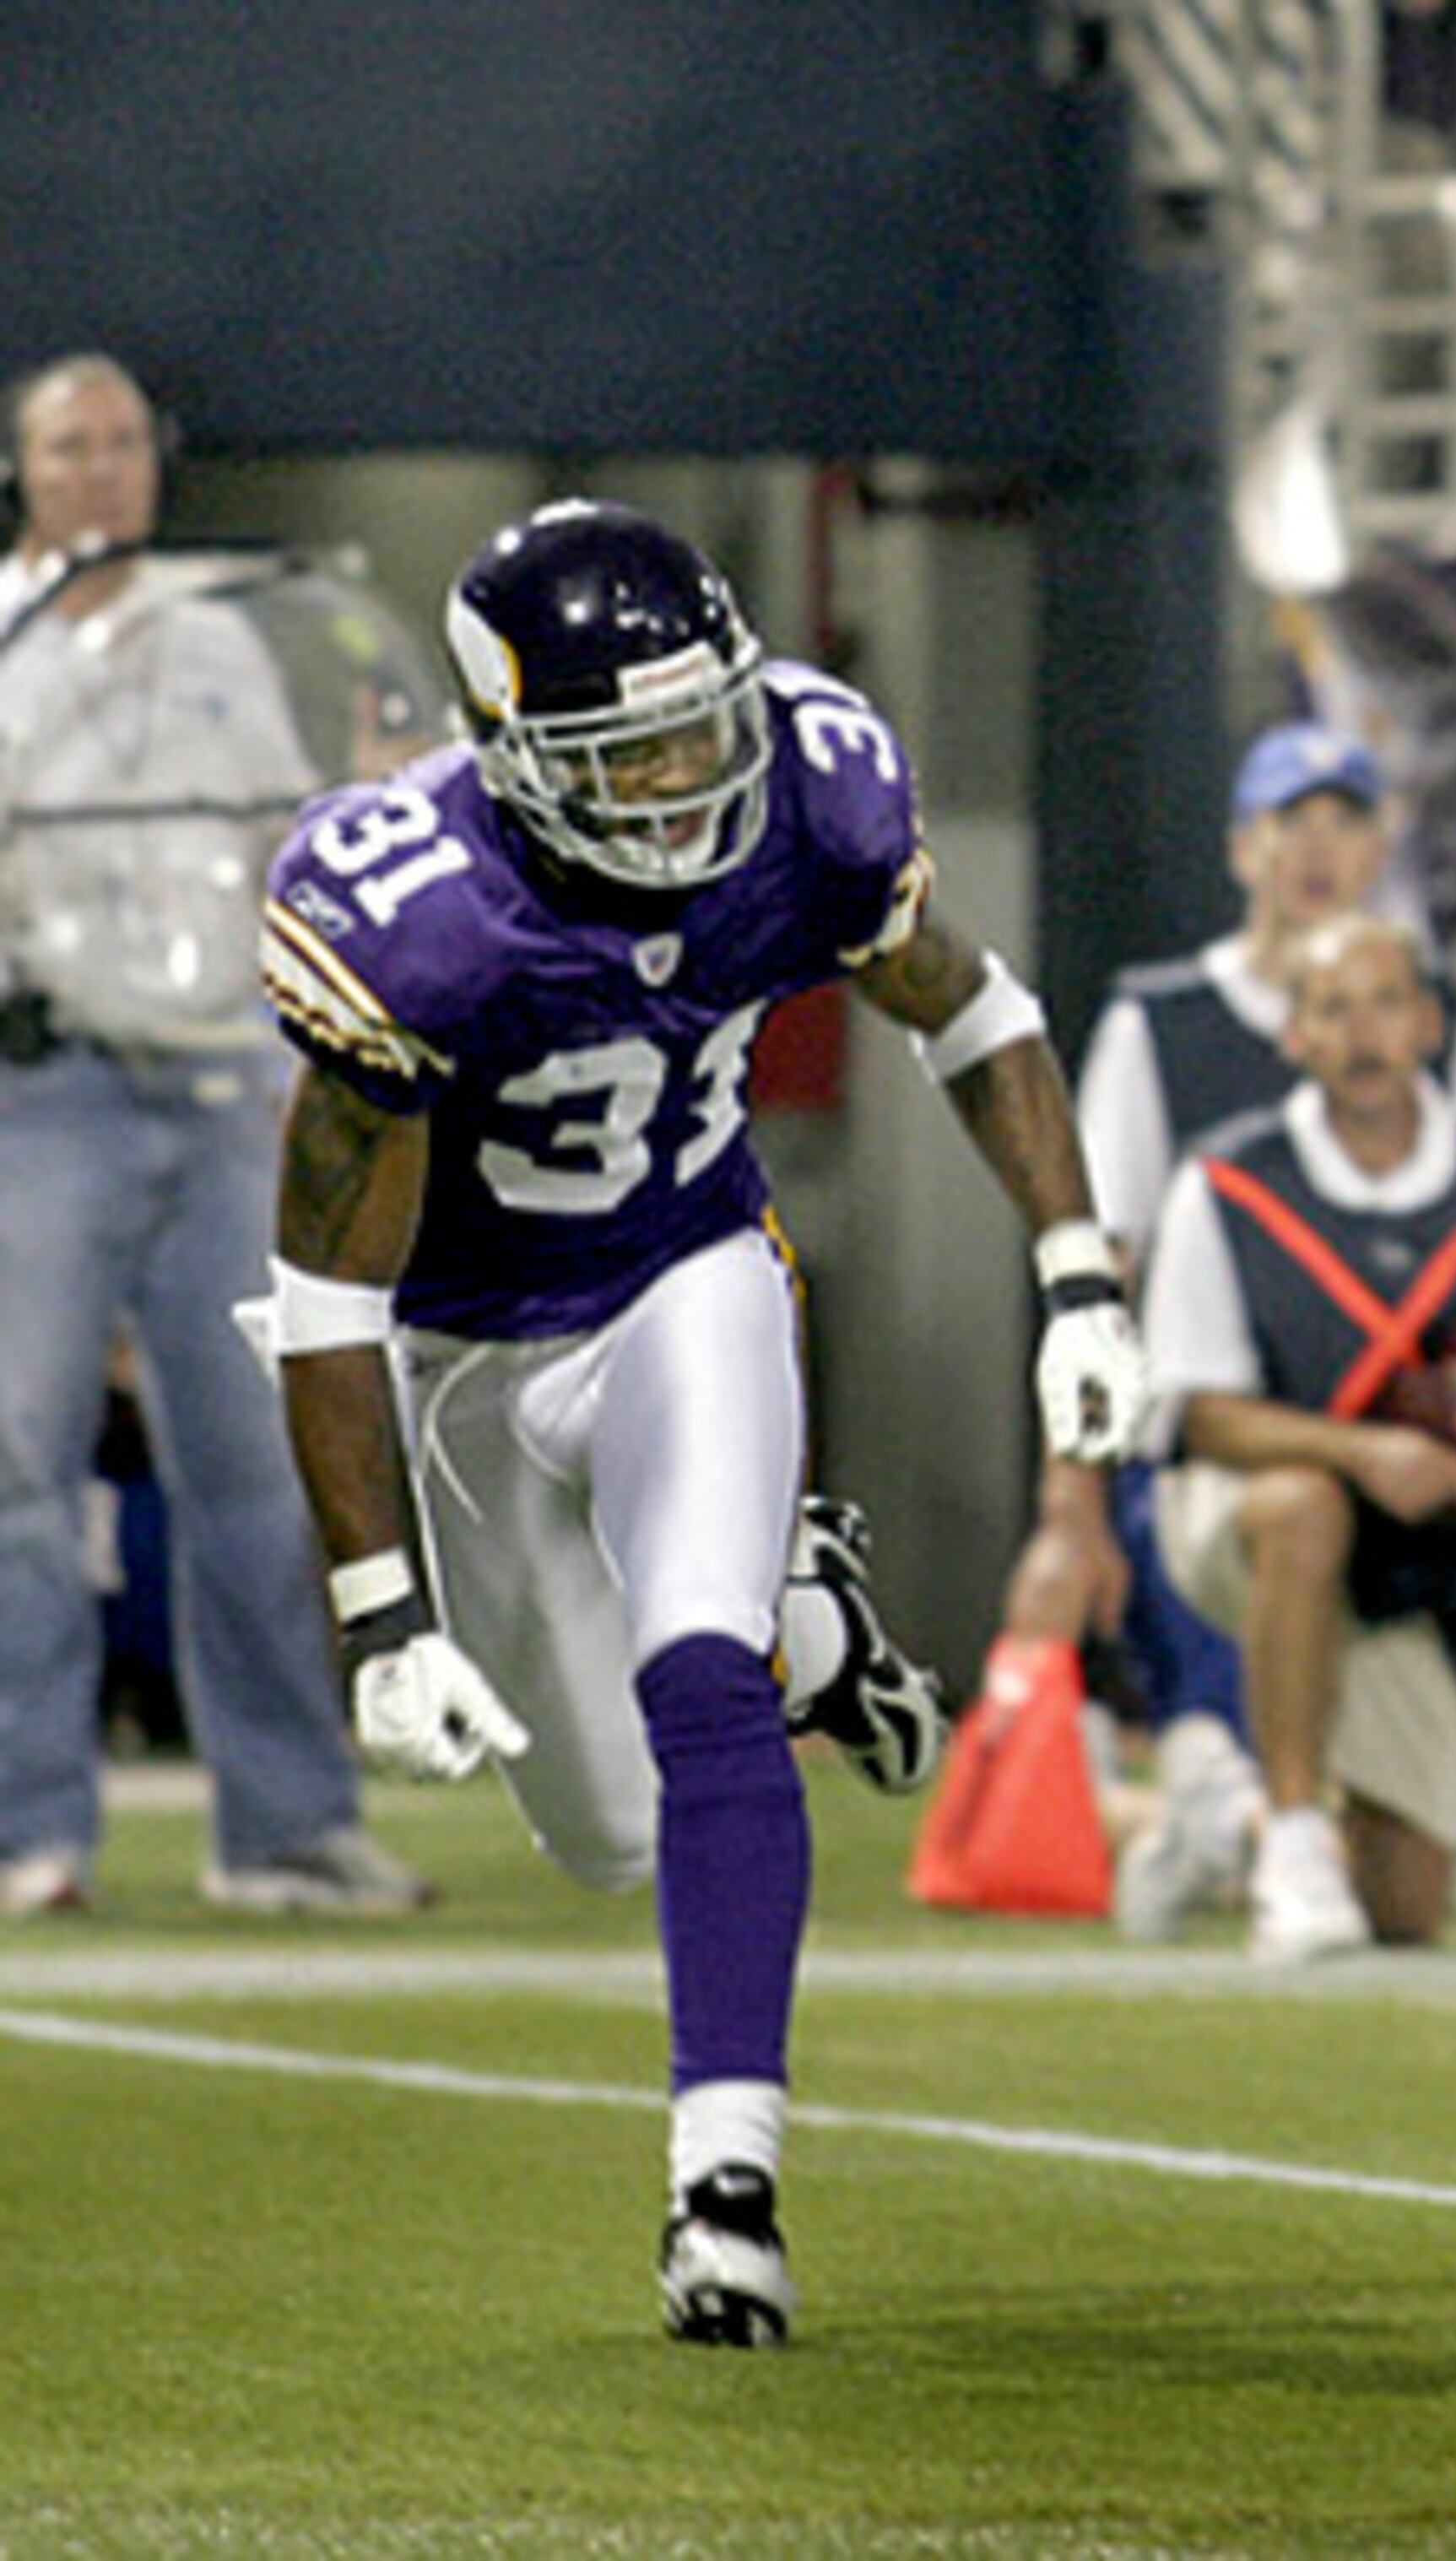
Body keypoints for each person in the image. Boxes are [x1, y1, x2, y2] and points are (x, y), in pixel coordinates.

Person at [255, 497, 1150, 2347]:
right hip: (462, 1357)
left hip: (688, 1272)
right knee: (602, 1829)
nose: (684, 777)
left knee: (700, 1686)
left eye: (700, 726)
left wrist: (1079, 1271)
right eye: (630, 750)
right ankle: (809, 1617)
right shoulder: (409, 917)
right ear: (514, 753)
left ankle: (723, 2192)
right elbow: (328, 1292)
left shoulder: (811, 794)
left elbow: (971, 1006)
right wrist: (383, 1615)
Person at [0, 351, 429, 1920]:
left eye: (122, 442)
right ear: (23, 469)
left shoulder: (223, 642)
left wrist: (363, 811)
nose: (100, 469)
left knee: (263, 1465)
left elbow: (283, 854)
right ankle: (29, 1828)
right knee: (18, 1468)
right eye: (69, 444)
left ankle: (286, 1825)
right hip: (45, 1089)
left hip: (222, 1086)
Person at [995, 721, 1456, 1941]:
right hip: (1215, 1459)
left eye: (1347, 822)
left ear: (1384, 848)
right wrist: (1072, 1507)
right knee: (1275, 1505)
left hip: (1400, 1465)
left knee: (1409, 1896)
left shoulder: (1439, 1026)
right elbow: (1097, 1273)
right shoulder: (1163, 1023)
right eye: (1294, 824)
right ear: (1245, 848)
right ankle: (1243, 1809)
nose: (1319, 851)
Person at [1138, 915, 1456, 1962]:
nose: (1363, 1034)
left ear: (1429, 1023)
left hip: (1418, 1534)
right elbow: (1199, 1413)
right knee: (1303, 1508)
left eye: (1386, 1003)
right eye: (1333, 1009)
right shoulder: (1227, 1184)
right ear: (1294, 1035)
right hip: (1245, 1508)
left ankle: (1241, 1819)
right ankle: (1292, 1837)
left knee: (1406, 1909)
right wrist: (1364, 1456)